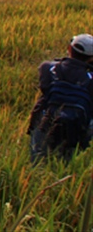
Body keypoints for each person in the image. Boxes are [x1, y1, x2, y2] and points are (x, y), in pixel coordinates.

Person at [28, 33, 93, 162]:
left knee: (37, 160)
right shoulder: (89, 77)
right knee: (66, 160)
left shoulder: (48, 68)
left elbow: (45, 87)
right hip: (76, 125)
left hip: (45, 121)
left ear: (69, 49)